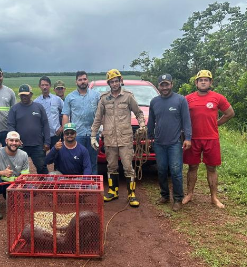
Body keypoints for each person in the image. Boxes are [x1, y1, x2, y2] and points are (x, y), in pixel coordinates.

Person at [91, 69, 145, 207]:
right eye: (112, 81)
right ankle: (113, 191)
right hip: (110, 139)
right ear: (108, 83)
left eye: (116, 81)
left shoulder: (128, 97)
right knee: (111, 166)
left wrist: (142, 125)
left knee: (128, 167)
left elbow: (138, 113)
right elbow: (97, 118)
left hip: (125, 138)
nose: (114, 84)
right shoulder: (104, 98)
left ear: (121, 81)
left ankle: (131, 194)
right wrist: (93, 136)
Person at [183, 70, 235, 208]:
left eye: (206, 80)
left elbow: (230, 113)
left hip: (211, 138)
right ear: (196, 83)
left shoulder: (218, 98)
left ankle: (214, 197)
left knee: (211, 168)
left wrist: (216, 123)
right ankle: (189, 194)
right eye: (201, 80)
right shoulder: (188, 98)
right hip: (193, 138)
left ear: (211, 82)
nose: (203, 82)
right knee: (192, 167)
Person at [147, 74, 192, 211]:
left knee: (176, 171)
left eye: (167, 84)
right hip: (159, 143)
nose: (164, 87)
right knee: (161, 170)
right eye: (162, 85)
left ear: (172, 84)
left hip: (174, 143)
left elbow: (186, 121)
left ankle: (178, 199)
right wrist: (149, 137)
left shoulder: (180, 100)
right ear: (158, 86)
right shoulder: (154, 102)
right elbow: (151, 122)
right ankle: (164, 195)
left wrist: (188, 138)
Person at [62, 71, 100, 174]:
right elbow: (66, 115)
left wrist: (103, 129)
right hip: (77, 134)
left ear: (88, 80)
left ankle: (93, 186)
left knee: (92, 161)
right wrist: (66, 133)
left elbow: (102, 114)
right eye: (80, 80)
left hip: (93, 134)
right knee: (76, 160)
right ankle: (78, 186)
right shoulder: (70, 97)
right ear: (76, 82)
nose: (82, 81)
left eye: (84, 79)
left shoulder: (96, 95)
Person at [0, 131, 30, 220]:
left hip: (14, 183)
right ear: (6, 141)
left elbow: (25, 175)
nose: (14, 143)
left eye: (16, 141)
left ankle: (9, 197)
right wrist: (2, 173)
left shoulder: (23, 155)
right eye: (11, 140)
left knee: (28, 188)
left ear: (20, 142)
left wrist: (19, 183)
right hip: (0, 182)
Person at [7, 84, 50, 174]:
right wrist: (16, 140)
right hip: (20, 145)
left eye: (26, 94)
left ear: (31, 94)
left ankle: (44, 186)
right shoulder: (14, 109)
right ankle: (20, 187)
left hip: (37, 145)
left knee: (42, 167)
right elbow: (11, 125)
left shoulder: (39, 107)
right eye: (22, 95)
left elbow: (45, 124)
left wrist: (47, 142)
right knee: (18, 169)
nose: (24, 97)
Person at [34, 76, 64, 147]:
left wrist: (62, 127)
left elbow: (66, 112)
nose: (45, 87)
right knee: (44, 156)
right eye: (42, 85)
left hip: (55, 134)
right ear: (39, 86)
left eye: (46, 85)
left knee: (57, 155)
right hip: (42, 135)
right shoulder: (36, 102)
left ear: (50, 86)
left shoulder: (57, 99)